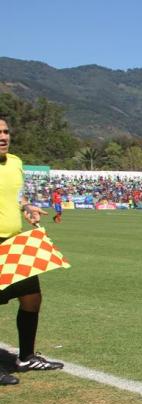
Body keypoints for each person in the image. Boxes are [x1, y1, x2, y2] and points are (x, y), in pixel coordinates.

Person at [0, 118, 64, 385]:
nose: (3, 137)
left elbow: (17, 198)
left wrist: (28, 208)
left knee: (31, 299)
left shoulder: (15, 162)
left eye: (5, 132)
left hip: (16, 242)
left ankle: (26, 357)